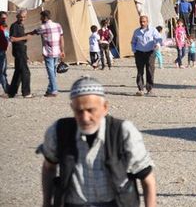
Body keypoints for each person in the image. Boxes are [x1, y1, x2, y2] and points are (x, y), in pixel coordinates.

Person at [38, 76, 156, 207]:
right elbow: (49, 167)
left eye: (91, 110)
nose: (85, 117)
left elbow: (147, 178)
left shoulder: (123, 132)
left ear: (105, 107)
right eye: (79, 111)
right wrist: (46, 203)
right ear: (72, 107)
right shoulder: (59, 131)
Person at [130, 15, 162, 96]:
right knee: (140, 71)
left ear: (147, 22)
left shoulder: (153, 30)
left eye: (144, 21)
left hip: (150, 53)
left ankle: (149, 89)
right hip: (139, 53)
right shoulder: (136, 31)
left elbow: (159, 38)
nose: (142, 23)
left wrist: (157, 44)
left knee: (150, 70)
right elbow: (133, 41)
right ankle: (140, 89)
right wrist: (134, 50)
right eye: (141, 21)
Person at [36, 10, 65, 98]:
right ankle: (50, 89)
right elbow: (62, 39)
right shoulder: (58, 25)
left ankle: (54, 90)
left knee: (51, 72)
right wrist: (62, 50)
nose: (40, 19)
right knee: (53, 72)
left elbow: (33, 33)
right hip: (57, 52)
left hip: (48, 52)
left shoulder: (42, 27)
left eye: (41, 17)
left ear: (44, 18)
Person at [7, 10, 33, 98]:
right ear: (17, 17)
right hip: (18, 51)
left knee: (18, 72)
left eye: (24, 17)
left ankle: (11, 92)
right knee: (26, 72)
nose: (22, 18)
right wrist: (25, 37)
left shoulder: (21, 26)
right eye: (20, 17)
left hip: (22, 51)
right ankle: (26, 93)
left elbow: (20, 38)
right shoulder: (14, 26)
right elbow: (12, 39)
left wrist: (26, 36)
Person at [0, 11, 10, 95]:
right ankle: (6, 88)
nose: (4, 19)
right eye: (2, 18)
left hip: (3, 52)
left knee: (3, 71)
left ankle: (6, 87)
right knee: (2, 71)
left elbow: (7, 38)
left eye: (5, 18)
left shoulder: (4, 27)